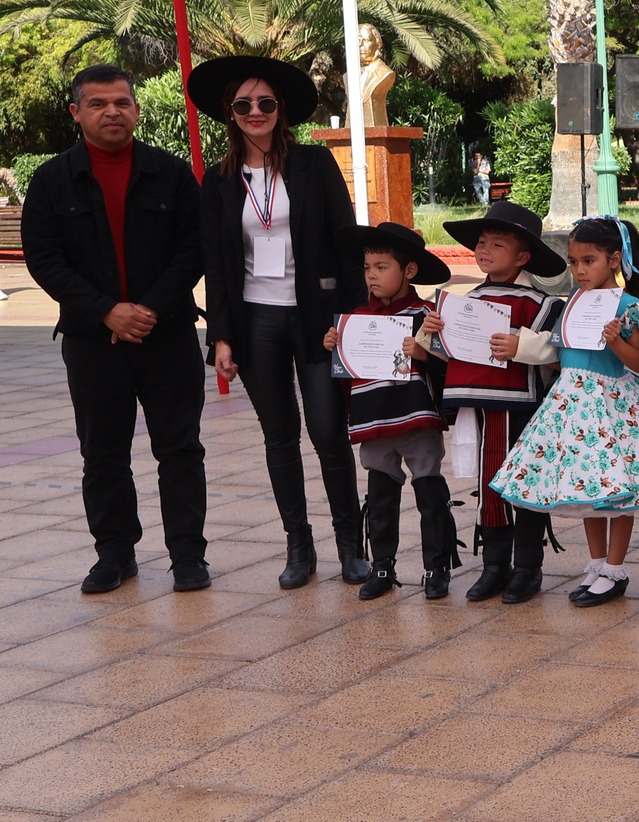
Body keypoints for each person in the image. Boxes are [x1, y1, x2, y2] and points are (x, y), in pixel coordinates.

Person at [23, 65, 209, 594]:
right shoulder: (53, 179)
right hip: (91, 341)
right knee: (102, 453)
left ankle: (188, 557)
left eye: (122, 102)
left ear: (136, 109)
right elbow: (44, 258)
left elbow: (194, 247)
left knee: (180, 449)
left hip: (167, 334)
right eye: (99, 103)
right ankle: (115, 554)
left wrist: (147, 308)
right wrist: (106, 310)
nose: (112, 112)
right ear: (76, 112)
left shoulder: (170, 173)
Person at [194, 55, 367, 591]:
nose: (255, 112)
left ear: (281, 109)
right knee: (279, 437)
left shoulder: (315, 164)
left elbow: (346, 245)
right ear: (229, 113)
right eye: (243, 104)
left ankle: (350, 546)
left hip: (316, 318)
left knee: (328, 433)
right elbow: (217, 264)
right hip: (255, 320)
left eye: (265, 103)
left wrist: (355, 320)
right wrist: (221, 335)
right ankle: (299, 546)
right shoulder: (220, 180)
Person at [491, 217, 639, 606]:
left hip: (611, 403)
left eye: (589, 260)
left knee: (618, 486)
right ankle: (597, 562)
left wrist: (614, 340)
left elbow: (638, 361)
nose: (580, 270)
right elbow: (561, 354)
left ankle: (616, 568)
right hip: (570, 401)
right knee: (587, 482)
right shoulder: (571, 303)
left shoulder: (630, 305)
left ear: (614, 259)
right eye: (573, 262)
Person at [422, 200, 565, 604]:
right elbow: (451, 353)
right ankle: (494, 565)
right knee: (490, 489)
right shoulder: (464, 301)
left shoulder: (541, 303)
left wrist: (521, 345)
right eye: (481, 242)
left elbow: (555, 350)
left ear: (523, 257)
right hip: (480, 406)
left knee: (524, 485)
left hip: (523, 408)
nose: (484, 250)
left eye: (496, 244)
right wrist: (434, 333)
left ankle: (528, 568)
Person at [321, 224, 458, 600]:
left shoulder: (428, 315)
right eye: (367, 267)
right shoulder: (356, 317)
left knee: (430, 492)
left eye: (382, 267)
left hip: (417, 418)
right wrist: (336, 346)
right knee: (380, 496)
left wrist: (426, 353)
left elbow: (451, 367)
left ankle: (437, 568)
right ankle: (381, 565)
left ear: (409, 271)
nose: (371, 275)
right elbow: (347, 376)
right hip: (373, 420)